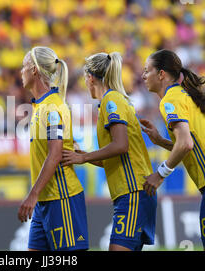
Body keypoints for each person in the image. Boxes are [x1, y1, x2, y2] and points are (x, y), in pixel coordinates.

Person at [140, 49, 205, 250]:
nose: (144, 76)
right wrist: (160, 140)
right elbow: (191, 145)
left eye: (147, 70)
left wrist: (160, 174)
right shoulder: (187, 94)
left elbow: (186, 144)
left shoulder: (170, 100)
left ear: (161, 74)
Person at [61, 52, 157, 251]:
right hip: (134, 191)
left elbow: (121, 145)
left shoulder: (111, 101)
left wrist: (83, 157)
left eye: (84, 78)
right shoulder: (114, 100)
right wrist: (84, 156)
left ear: (90, 77)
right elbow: (114, 157)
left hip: (133, 191)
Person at [18, 46, 89, 251]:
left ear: (33, 70)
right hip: (45, 200)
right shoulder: (41, 106)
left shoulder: (52, 108)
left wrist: (32, 194)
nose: (20, 72)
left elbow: (55, 153)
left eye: (24, 66)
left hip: (62, 197)